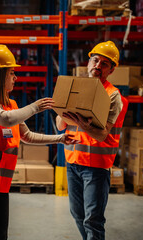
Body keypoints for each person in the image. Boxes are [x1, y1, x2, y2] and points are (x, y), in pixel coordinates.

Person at [0, 44, 77, 240]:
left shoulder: (10, 105)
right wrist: (35, 107)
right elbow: (4, 119)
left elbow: (27, 135)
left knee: (0, 234)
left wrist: (60, 138)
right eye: (12, 73)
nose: (16, 78)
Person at [56, 41, 128, 240]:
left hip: (96, 168)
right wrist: (65, 107)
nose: (98, 66)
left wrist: (85, 125)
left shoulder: (113, 96)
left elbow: (102, 134)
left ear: (111, 70)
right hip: (72, 162)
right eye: (95, 60)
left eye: (104, 64)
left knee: (93, 220)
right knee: (77, 214)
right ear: (88, 62)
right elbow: (60, 125)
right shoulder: (76, 86)